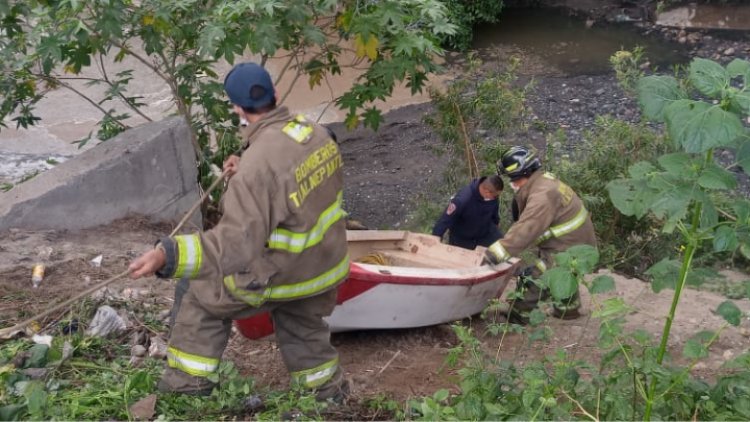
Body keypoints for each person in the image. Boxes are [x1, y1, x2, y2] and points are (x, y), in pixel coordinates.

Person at [128, 62, 350, 401]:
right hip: (323, 268)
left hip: (282, 273)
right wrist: (247, 164)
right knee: (303, 327)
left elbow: (234, 247)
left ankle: (188, 388)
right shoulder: (313, 133)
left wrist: (167, 254)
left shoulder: (257, 169)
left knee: (202, 296)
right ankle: (327, 393)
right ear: (275, 94)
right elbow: (286, 175)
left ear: (236, 108)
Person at [483, 146, 597, 321]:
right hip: (577, 244)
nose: (512, 184)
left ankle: (517, 315)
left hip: (570, 247)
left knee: (536, 277)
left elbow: (525, 230)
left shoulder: (542, 196)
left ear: (523, 174)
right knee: (564, 274)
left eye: (512, 179)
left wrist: (494, 254)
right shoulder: (544, 182)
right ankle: (568, 310)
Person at [432, 175, 504, 250]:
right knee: (465, 260)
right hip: (463, 239)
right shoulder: (463, 200)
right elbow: (445, 220)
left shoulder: (492, 197)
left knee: (502, 249)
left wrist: (496, 222)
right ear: (487, 192)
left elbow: (494, 211)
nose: (497, 197)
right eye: (496, 196)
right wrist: (434, 241)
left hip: (485, 232)